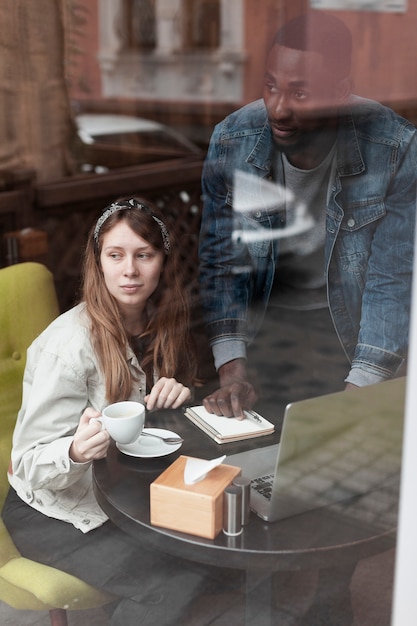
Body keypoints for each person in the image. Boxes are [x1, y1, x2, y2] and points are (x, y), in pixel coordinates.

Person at [1, 198, 213, 625]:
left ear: (162, 262)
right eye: (115, 256)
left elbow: (162, 430)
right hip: (54, 511)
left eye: (143, 255)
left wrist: (181, 394)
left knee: (214, 558)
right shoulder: (68, 346)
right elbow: (25, 465)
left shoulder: (164, 324)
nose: (129, 271)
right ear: (98, 264)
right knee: (171, 583)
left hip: (126, 495)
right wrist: (76, 451)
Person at [199, 11, 417, 418]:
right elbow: (220, 265)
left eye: (300, 94)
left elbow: (392, 280)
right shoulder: (232, 141)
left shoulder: (394, 149)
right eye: (270, 87)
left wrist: (358, 396)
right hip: (264, 325)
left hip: (349, 331)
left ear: (340, 92)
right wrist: (232, 370)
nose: (278, 109)